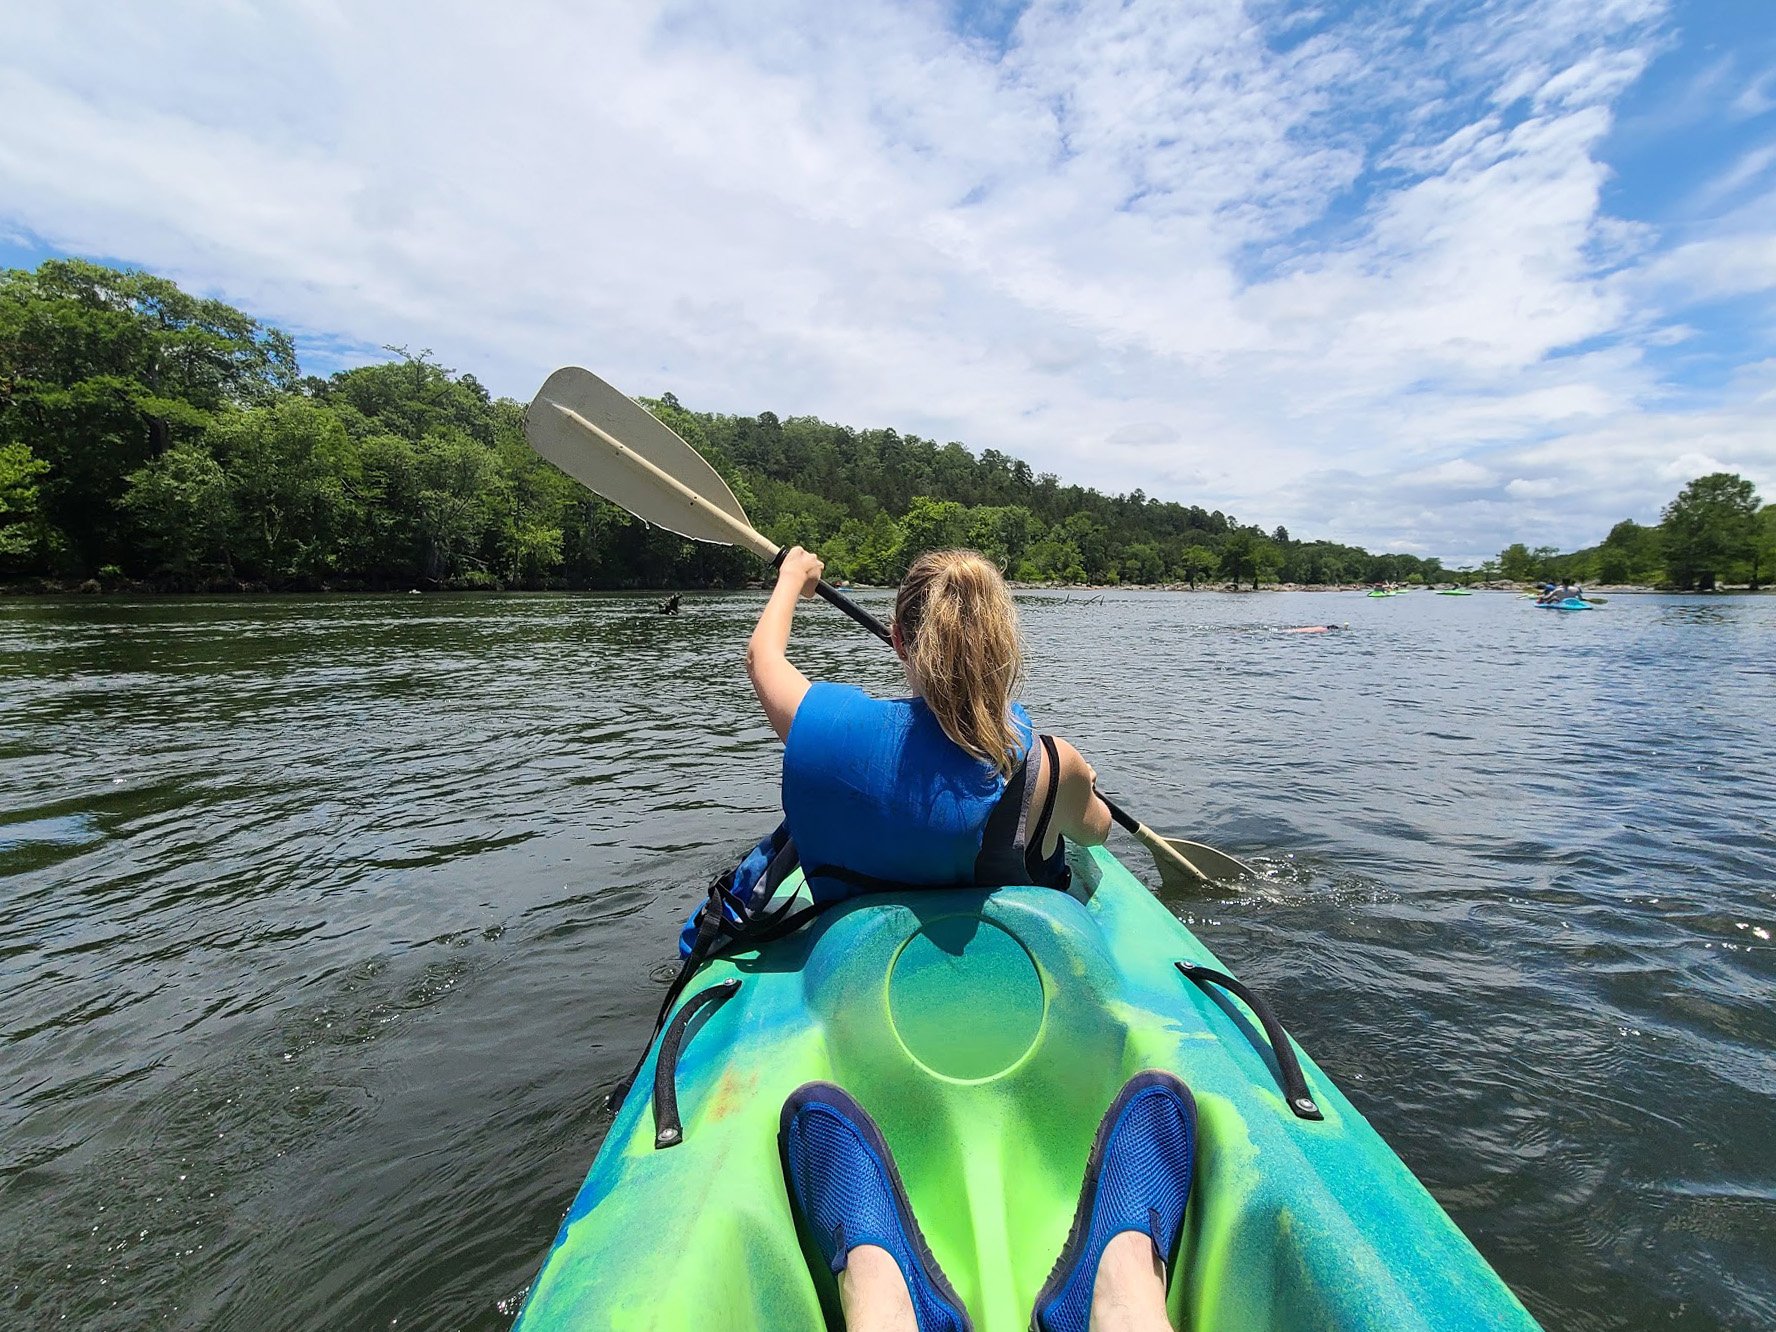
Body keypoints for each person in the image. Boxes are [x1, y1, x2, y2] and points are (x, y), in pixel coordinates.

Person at [749, 548, 1196, 1332]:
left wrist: (794, 580)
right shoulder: (1049, 763)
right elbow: (1091, 833)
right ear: (1003, 651)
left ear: (897, 639)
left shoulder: (831, 733)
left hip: (854, 990)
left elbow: (765, 660)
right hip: (1020, 995)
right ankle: (1122, 1285)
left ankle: (883, 1289)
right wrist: (1068, 783)